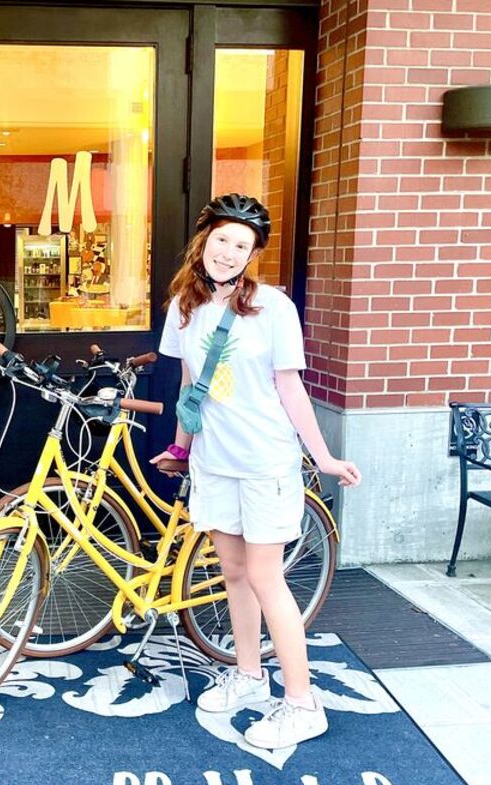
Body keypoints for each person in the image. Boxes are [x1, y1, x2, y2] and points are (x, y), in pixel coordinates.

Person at [149, 193, 361, 749]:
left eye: (241, 245)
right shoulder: (184, 307)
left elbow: (291, 388)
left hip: (266, 460)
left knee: (267, 577)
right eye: (222, 239)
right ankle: (248, 675)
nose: (228, 251)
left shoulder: (272, 307)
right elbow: (190, 384)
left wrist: (324, 458)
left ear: (252, 255)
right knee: (234, 573)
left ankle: (302, 703)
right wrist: (181, 447)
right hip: (216, 463)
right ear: (204, 242)